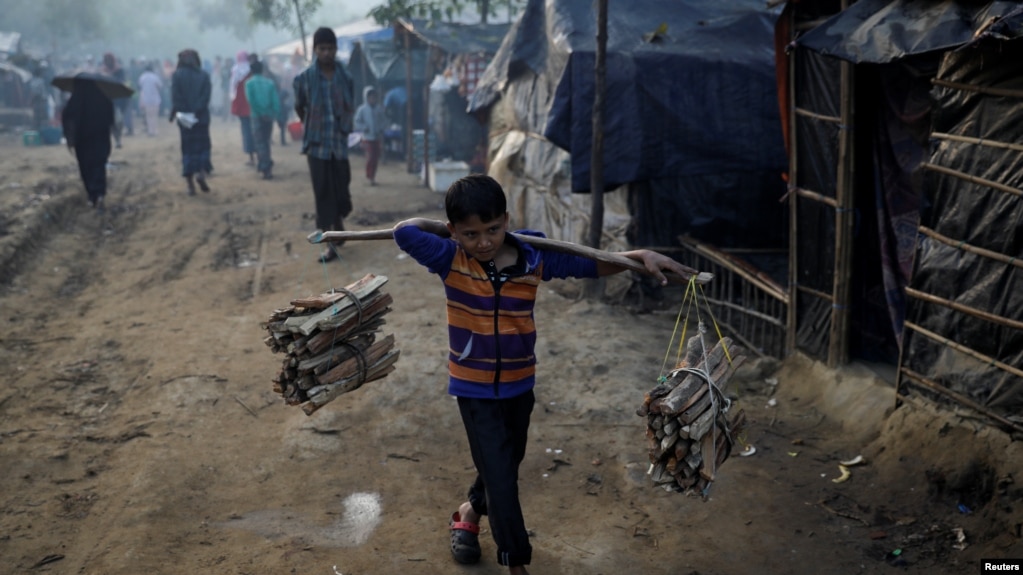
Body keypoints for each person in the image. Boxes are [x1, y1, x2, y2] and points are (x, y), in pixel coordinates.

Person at [391, 174, 690, 575]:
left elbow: (590, 263)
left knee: (506, 461)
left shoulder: (535, 256)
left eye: (493, 229)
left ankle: (468, 510)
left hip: (519, 383)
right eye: (471, 233)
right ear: (454, 232)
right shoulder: (450, 258)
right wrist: (446, 234)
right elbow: (404, 232)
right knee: (501, 481)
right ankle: (516, 562)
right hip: (474, 389)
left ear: (507, 220)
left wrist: (639, 256)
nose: (483, 242)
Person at [293, 27, 355, 263]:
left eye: (330, 48)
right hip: (317, 146)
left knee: (341, 188)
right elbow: (300, 107)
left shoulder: (346, 77)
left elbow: (350, 106)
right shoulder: (305, 78)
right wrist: (312, 125)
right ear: (315, 50)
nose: (326, 53)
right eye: (322, 48)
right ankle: (331, 244)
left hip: (338, 144)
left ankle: (338, 220)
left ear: (336, 49)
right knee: (323, 193)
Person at [61, 77, 115, 211]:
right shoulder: (103, 98)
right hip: (100, 140)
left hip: (82, 142)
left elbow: (67, 119)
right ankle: (100, 193)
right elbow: (110, 117)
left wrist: (70, 138)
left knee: (86, 167)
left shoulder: (74, 101)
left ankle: (92, 196)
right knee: (98, 165)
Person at [169, 49, 213, 196]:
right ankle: (201, 173)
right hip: (201, 118)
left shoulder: (177, 76)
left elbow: (176, 97)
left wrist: (185, 111)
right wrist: (197, 110)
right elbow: (206, 98)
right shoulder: (204, 75)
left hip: (184, 119)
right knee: (202, 147)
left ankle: (190, 186)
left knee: (187, 149)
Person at [244, 60, 280, 180]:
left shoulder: (249, 83)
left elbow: (251, 101)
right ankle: (266, 166)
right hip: (269, 116)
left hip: (256, 116)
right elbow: (275, 101)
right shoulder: (269, 83)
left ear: (251, 71)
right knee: (266, 141)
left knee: (260, 143)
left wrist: (260, 113)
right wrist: (273, 113)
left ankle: (265, 167)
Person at [353, 86, 387, 186]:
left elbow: (384, 120)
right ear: (366, 98)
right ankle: (369, 176)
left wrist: (381, 128)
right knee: (370, 157)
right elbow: (356, 122)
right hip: (367, 138)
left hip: (376, 137)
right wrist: (364, 128)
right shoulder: (362, 109)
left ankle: (373, 176)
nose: (373, 99)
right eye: (371, 97)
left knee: (375, 158)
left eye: (374, 97)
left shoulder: (379, 109)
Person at [230, 50, 255, 166]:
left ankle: (251, 157)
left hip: (241, 104)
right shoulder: (253, 69)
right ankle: (260, 155)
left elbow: (232, 88)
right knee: (255, 129)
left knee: (246, 130)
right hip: (253, 104)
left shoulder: (235, 70)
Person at [137, 63, 163, 136]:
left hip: (146, 99)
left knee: (148, 116)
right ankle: (154, 130)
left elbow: (140, 87)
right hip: (155, 99)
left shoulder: (142, 77)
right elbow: (160, 86)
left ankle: (150, 131)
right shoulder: (155, 77)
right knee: (154, 116)